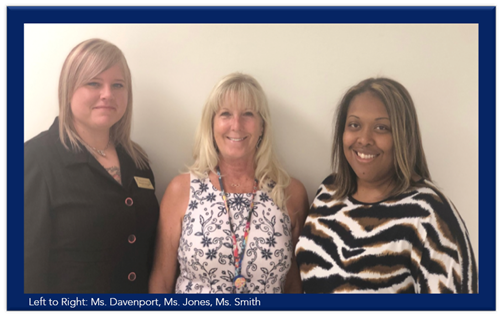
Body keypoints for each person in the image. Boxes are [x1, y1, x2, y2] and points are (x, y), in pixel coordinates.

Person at [295, 77, 478, 293]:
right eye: (354, 125)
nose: (364, 139)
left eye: (381, 128)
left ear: (403, 136)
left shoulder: (430, 214)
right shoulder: (329, 191)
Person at [149, 72, 309, 293]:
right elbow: (162, 279)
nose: (236, 125)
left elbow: (293, 283)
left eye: (248, 114)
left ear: (262, 126)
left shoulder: (290, 193)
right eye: (225, 114)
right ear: (211, 124)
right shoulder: (181, 190)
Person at [24, 38, 159, 293]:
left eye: (118, 85)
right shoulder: (34, 159)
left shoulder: (138, 162)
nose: (107, 94)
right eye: (93, 83)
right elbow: (25, 271)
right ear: (68, 90)